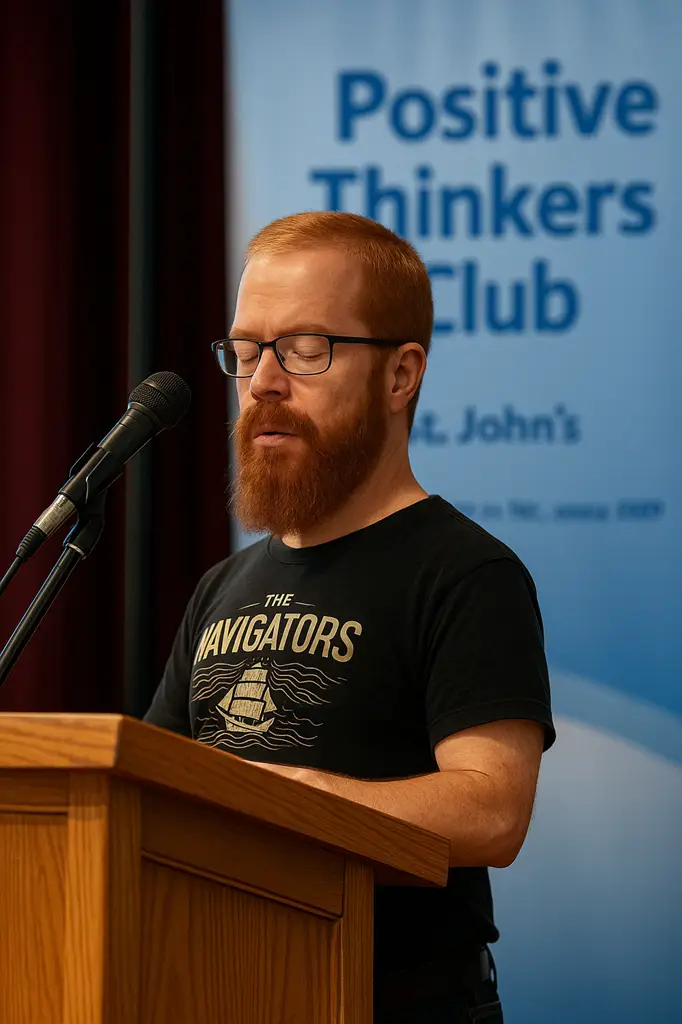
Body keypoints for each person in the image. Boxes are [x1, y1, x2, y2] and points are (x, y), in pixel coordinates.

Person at [144, 211, 555, 1023]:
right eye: (246, 350)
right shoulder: (221, 586)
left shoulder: (466, 572)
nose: (262, 382)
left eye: (304, 349)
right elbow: (154, 791)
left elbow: (491, 812)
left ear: (401, 375)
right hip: (216, 988)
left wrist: (287, 802)